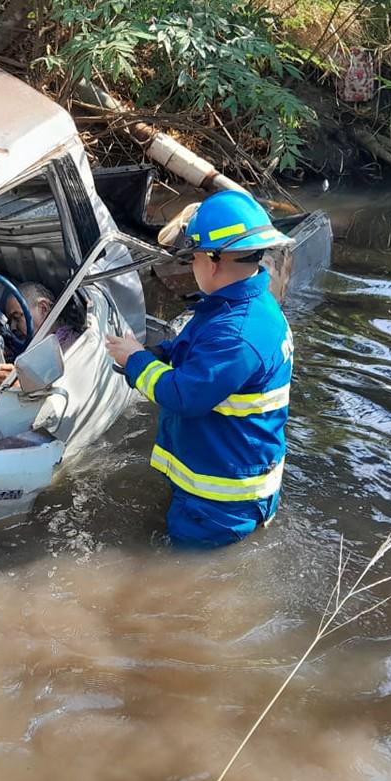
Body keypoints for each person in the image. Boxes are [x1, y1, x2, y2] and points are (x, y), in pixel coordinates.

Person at [105, 190, 294, 547]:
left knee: (181, 583)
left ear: (212, 261)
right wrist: (156, 353)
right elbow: (194, 351)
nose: (191, 266)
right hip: (225, 477)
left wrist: (135, 360)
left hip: (221, 504)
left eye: (192, 257)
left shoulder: (237, 333)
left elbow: (183, 395)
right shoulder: (238, 308)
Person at [0, 282, 77, 387]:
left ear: (43, 308)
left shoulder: (73, 347)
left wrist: (20, 385)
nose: (13, 328)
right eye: (11, 322)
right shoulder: (33, 351)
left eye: (17, 317)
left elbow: (61, 391)